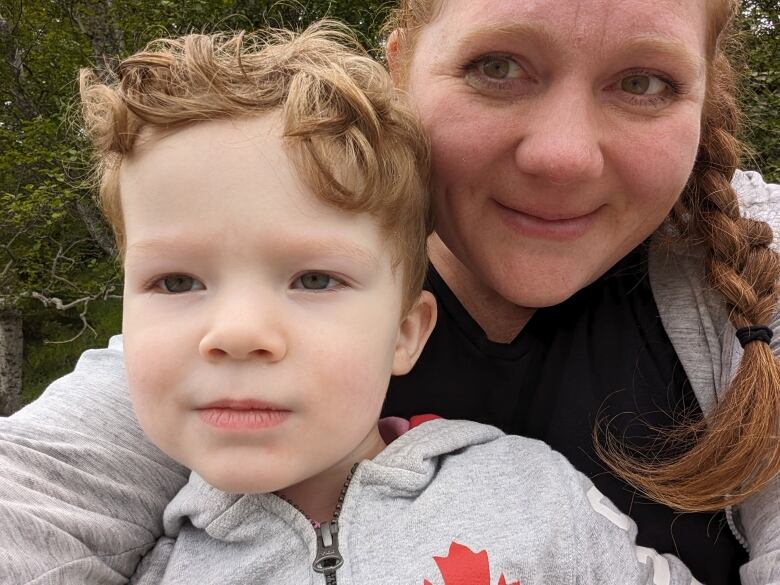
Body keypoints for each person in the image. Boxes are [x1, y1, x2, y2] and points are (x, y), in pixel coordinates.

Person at [0, 1, 778, 584]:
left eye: (644, 82)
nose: (563, 156)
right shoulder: (203, 356)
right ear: (400, 69)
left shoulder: (751, 278)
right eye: (497, 66)